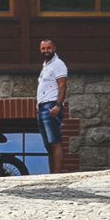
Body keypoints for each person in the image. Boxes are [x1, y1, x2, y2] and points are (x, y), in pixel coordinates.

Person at [37, 38, 68, 174]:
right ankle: (52, 175)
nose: (46, 51)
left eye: (48, 48)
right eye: (43, 48)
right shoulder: (46, 66)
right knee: (49, 145)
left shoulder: (58, 64)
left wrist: (58, 105)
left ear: (54, 48)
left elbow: (62, 85)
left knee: (55, 142)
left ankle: (57, 174)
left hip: (51, 106)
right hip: (42, 107)